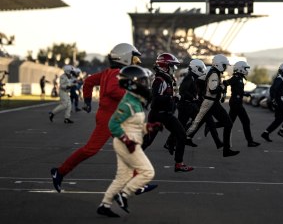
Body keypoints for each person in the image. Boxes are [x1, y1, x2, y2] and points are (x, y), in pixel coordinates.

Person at [50, 43, 155, 195]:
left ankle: (136, 183)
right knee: (91, 149)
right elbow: (113, 90)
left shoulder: (109, 72)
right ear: (125, 57)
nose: (135, 62)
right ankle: (59, 172)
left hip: (110, 116)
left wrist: (87, 100)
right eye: (134, 58)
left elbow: (89, 81)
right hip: (109, 118)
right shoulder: (116, 73)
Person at [97, 65, 162, 217]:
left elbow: (134, 125)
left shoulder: (135, 100)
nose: (145, 85)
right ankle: (124, 195)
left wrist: (150, 127)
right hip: (126, 143)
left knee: (123, 177)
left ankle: (105, 205)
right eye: (142, 81)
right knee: (147, 172)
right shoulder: (128, 103)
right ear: (131, 83)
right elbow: (113, 125)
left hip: (130, 140)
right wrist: (127, 141)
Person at [141, 52, 193, 172]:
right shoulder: (159, 80)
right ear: (165, 66)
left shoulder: (167, 79)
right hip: (158, 114)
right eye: (172, 66)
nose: (174, 69)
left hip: (166, 114)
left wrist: (173, 100)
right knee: (147, 140)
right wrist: (172, 98)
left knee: (181, 135)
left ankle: (179, 163)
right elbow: (155, 99)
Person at [185, 54, 239, 157]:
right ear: (219, 64)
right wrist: (222, 87)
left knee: (197, 122)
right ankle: (226, 150)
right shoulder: (214, 74)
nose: (225, 67)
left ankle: (179, 138)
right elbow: (213, 89)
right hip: (211, 102)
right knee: (198, 122)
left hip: (211, 102)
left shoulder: (214, 72)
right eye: (224, 65)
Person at [223, 60, 260, 147]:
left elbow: (238, 91)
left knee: (232, 123)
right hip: (235, 103)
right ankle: (249, 142)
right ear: (240, 69)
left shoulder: (239, 78)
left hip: (237, 103)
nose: (246, 70)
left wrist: (246, 93)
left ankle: (249, 141)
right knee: (243, 121)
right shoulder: (236, 77)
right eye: (245, 68)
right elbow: (225, 83)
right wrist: (223, 94)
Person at [261, 62, 283, 142]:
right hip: (280, 102)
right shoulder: (280, 78)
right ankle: (282, 131)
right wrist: (274, 100)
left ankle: (266, 133)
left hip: (279, 102)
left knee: (279, 119)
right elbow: (273, 89)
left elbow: (281, 93)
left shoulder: (282, 78)